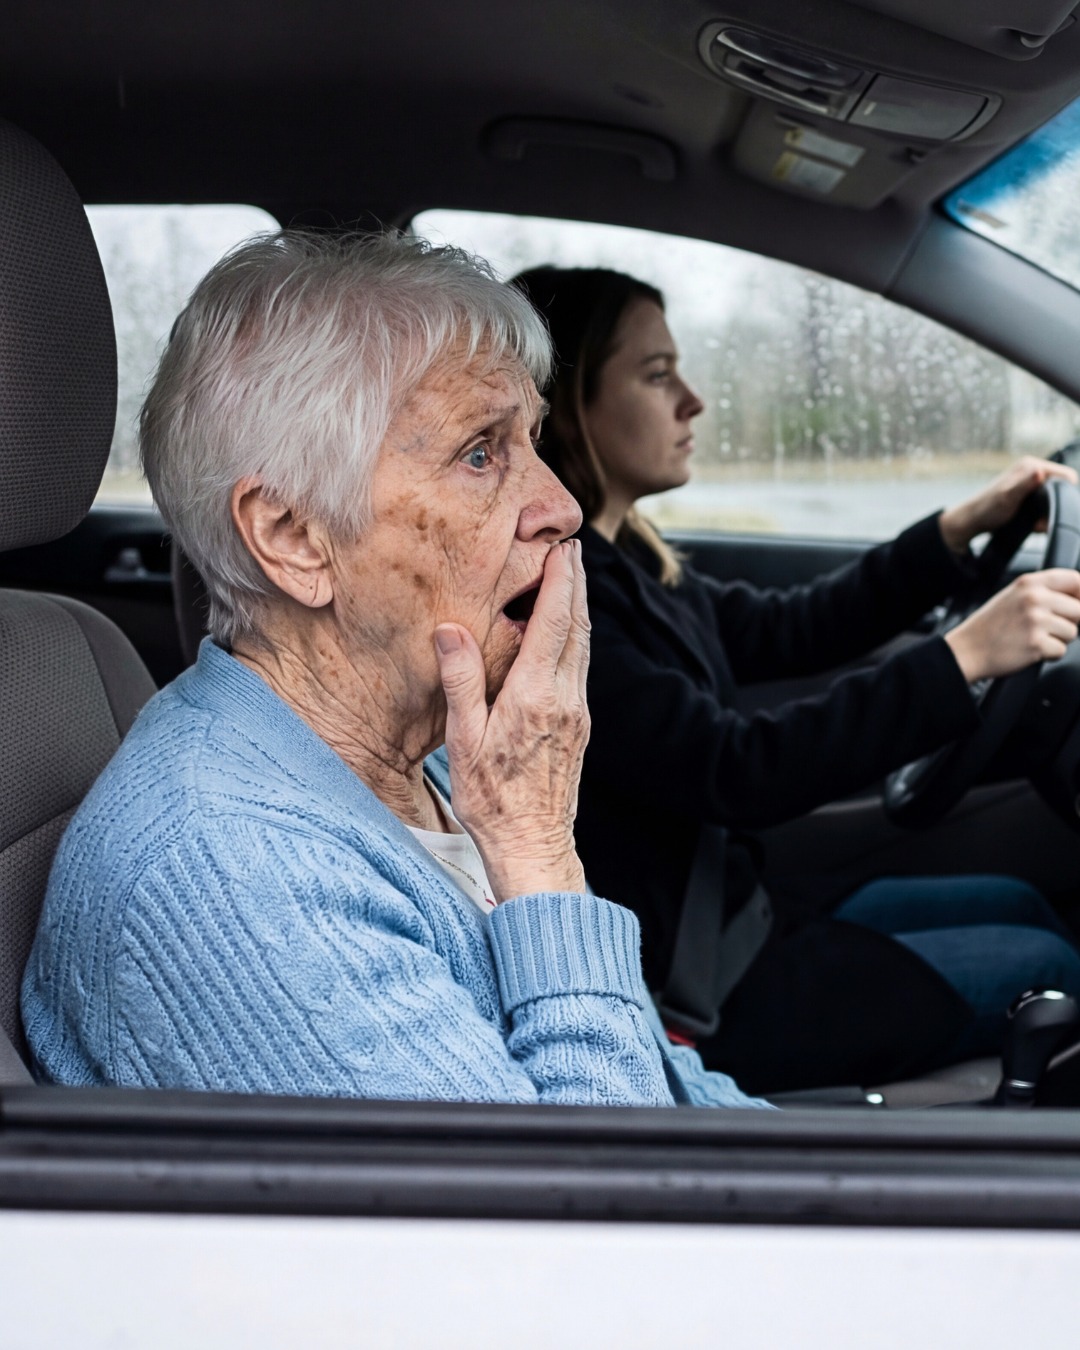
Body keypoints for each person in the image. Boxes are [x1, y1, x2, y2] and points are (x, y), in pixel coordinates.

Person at [21, 231, 771, 1110]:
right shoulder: (232, 874)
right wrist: (539, 856)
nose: (562, 506)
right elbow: (578, 1223)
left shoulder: (439, 754)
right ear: (295, 536)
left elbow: (665, 1083)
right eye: (481, 453)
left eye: (532, 439)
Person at [512, 264, 1080, 1095]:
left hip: (742, 925)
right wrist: (962, 658)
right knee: (1050, 958)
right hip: (701, 991)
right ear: (567, 405)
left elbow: (792, 626)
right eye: (658, 374)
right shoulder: (558, 603)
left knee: (1023, 900)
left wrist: (958, 530)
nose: (693, 401)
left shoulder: (625, 558)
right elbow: (735, 767)